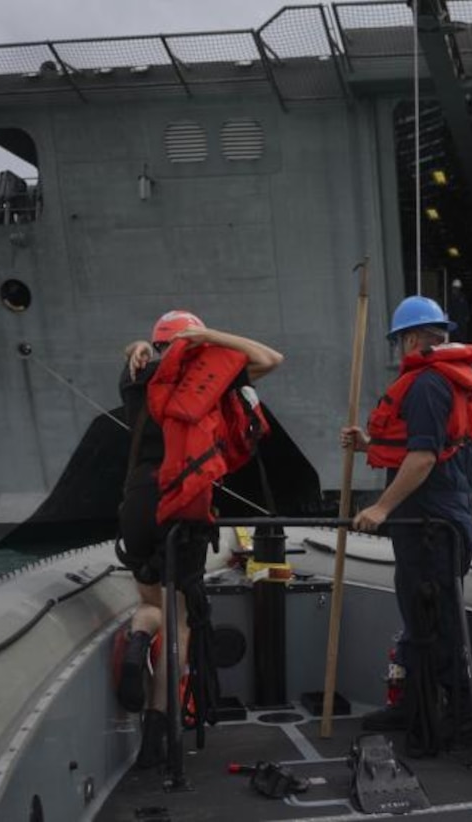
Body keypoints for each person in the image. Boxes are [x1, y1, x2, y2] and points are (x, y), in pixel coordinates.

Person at [115, 309, 283, 768]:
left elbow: (136, 351)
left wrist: (137, 346)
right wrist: (212, 334)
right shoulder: (210, 379)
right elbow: (271, 358)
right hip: (182, 501)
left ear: (157, 344)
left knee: (150, 603)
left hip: (136, 502)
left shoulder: (136, 377)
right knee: (182, 620)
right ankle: (158, 730)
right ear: (194, 343)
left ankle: (136, 642)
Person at [340, 295, 472, 753]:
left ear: (409, 339)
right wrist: (370, 446)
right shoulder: (442, 382)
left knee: (438, 622)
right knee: (418, 617)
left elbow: (424, 459)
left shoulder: (427, 385)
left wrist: (381, 508)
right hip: (436, 517)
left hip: (431, 523)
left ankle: (455, 720)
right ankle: (412, 705)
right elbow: (424, 448)